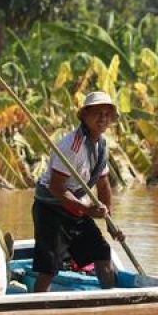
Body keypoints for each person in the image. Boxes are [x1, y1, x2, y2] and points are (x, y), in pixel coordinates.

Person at [31, 91, 126, 292]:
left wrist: (110, 222)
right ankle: (37, 307)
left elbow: (103, 185)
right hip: (51, 208)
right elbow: (56, 188)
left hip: (76, 208)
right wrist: (88, 210)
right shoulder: (73, 146)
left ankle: (109, 300)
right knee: (50, 265)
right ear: (84, 115)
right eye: (97, 113)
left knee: (102, 252)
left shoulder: (102, 146)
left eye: (107, 114)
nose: (103, 118)